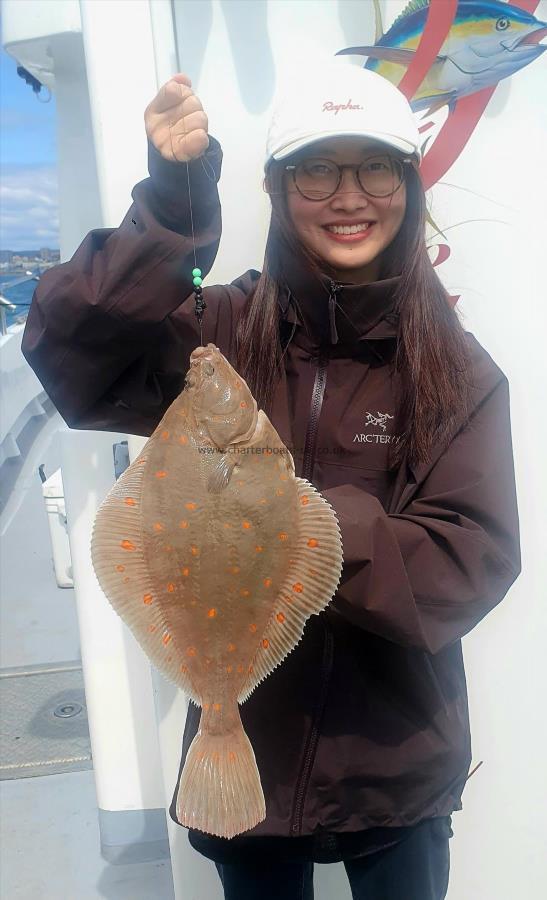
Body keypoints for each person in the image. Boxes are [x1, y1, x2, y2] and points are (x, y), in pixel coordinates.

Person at [21, 62, 521, 900]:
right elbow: (74, 351)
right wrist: (175, 211)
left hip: (393, 764)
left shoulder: (453, 369)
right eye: (317, 169)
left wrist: (290, 520)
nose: (348, 195)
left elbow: (464, 563)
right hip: (244, 740)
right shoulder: (219, 330)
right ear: (279, 190)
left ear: (407, 183)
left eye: (375, 167)